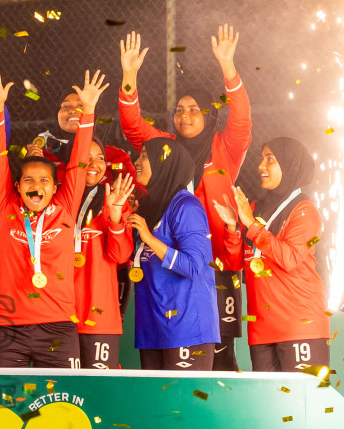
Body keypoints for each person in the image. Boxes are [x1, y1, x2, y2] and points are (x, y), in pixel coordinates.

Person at [118, 26, 251, 369]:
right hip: (170, 261)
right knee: (172, 349)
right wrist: (129, 75)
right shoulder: (166, 149)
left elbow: (241, 118)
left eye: (194, 110)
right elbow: (132, 125)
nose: (185, 116)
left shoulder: (225, 147)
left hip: (216, 261)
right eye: (179, 109)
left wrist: (228, 67)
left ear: (208, 114)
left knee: (220, 354)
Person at [0, 69, 107, 368]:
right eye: (29, 180)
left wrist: (89, 110)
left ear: (55, 187)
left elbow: (78, 160)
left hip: (58, 327)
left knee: (61, 398)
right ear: (17, 186)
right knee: (7, 398)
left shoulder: (65, 205)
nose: (36, 186)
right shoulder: (7, 208)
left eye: (43, 181)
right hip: (6, 328)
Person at [214, 138, 331, 372]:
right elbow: (234, 263)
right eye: (261, 159)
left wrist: (251, 225)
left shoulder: (305, 210)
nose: (261, 166)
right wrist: (232, 228)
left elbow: (290, 258)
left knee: (300, 396)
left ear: (289, 164)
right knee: (268, 397)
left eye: (270, 159)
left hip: (300, 326)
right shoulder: (254, 208)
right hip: (261, 330)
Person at [130, 137, 219, 371]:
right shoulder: (148, 207)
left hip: (186, 329)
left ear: (164, 163)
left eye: (145, 156)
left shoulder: (186, 207)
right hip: (152, 327)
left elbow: (194, 266)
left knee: (184, 396)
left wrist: (150, 239)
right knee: (154, 397)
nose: (136, 162)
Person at [74, 145, 139, 370]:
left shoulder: (114, 200)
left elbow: (121, 256)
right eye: (87, 157)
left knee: (99, 389)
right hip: (59, 316)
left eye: (100, 157)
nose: (94, 164)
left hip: (98, 316)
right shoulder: (58, 197)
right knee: (59, 387)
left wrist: (115, 215)